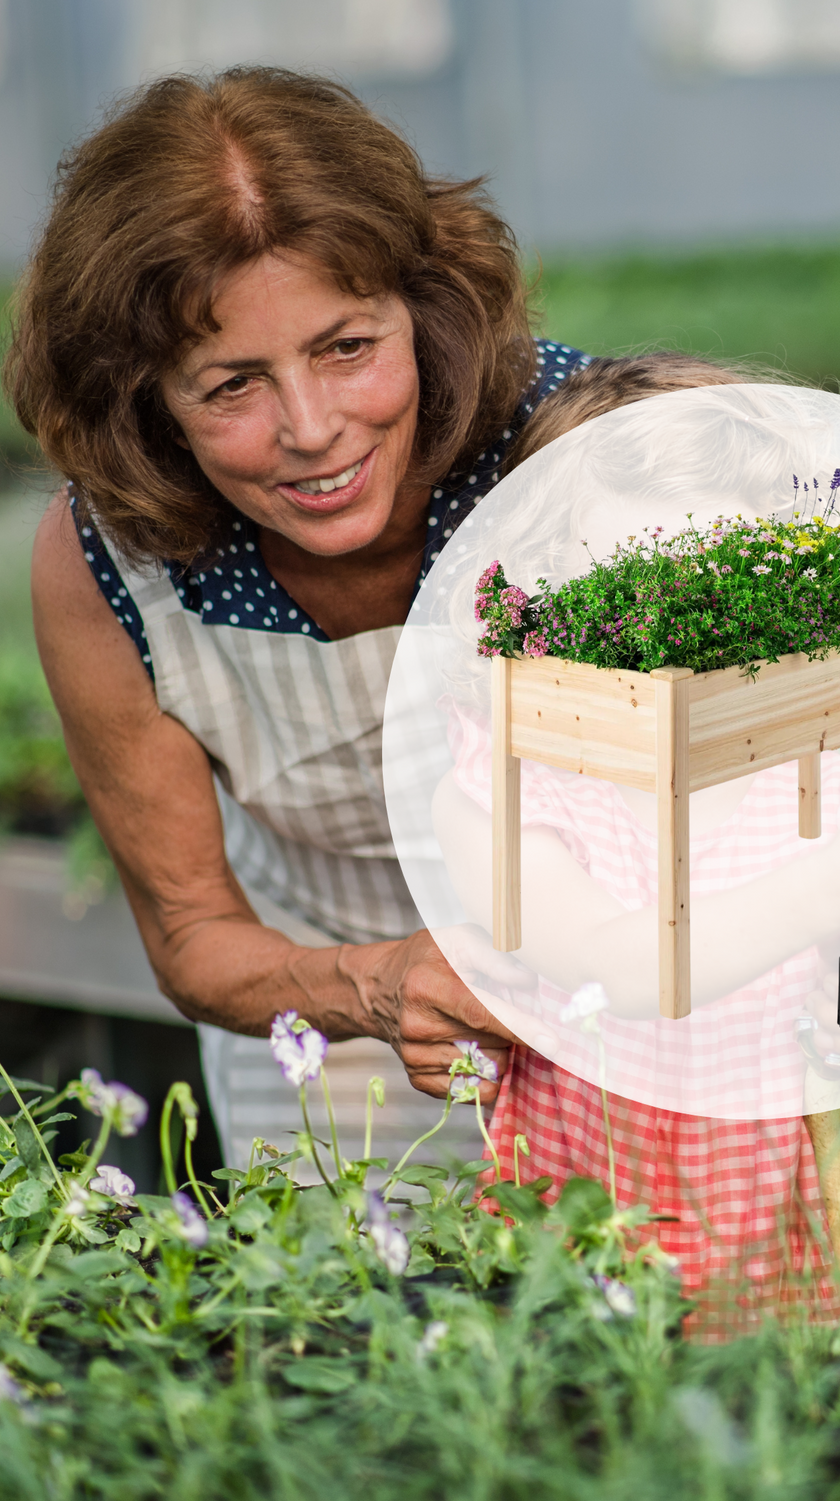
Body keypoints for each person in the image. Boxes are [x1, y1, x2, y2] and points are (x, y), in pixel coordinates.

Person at [429, 356, 840, 1327]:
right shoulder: (510, 787)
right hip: (560, 1299)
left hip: (785, 1309)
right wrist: (837, 880)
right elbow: (626, 966)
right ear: (532, 599)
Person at [6, 67, 577, 1162]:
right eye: (232, 387)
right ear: (147, 408)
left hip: (620, 1003)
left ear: (424, 310)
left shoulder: (569, 456)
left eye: (347, 347)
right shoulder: (105, 567)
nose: (311, 429)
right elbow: (195, 937)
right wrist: (374, 985)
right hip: (326, 1021)